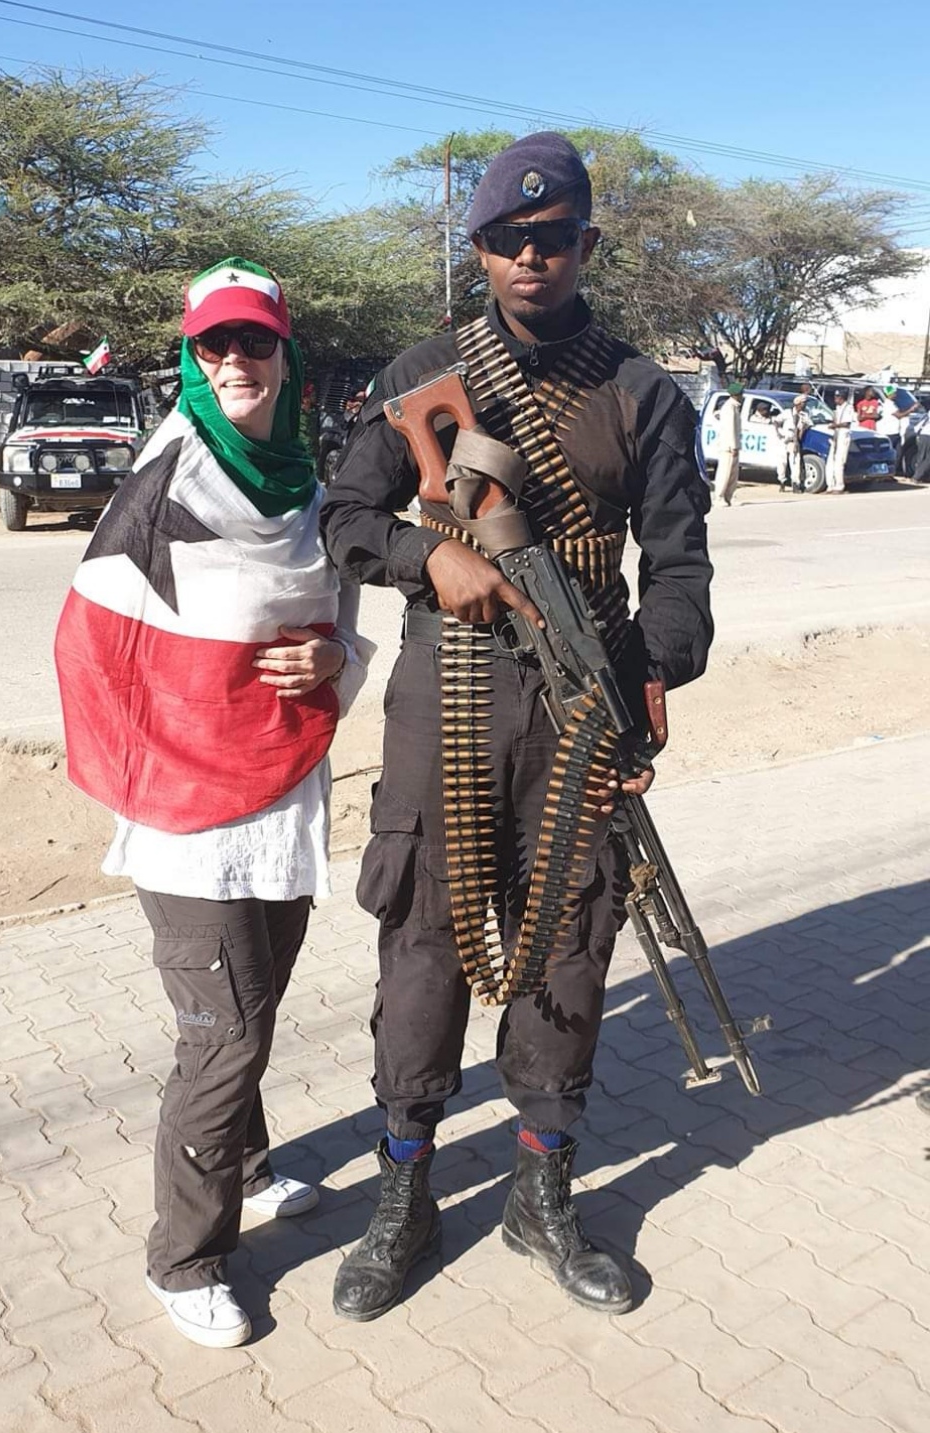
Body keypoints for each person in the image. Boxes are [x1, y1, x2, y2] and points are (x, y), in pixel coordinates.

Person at [321, 133, 713, 1323]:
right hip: (447, 689)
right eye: (507, 239)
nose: (531, 256)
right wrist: (425, 551)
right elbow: (342, 510)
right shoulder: (426, 370)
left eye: (554, 238)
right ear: (479, 249)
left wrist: (643, 676)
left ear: (587, 244)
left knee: (571, 940)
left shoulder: (642, 391)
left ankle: (541, 1191)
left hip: (576, 706)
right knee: (426, 940)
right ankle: (408, 1189)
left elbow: (682, 570)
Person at [54, 257, 372, 1349]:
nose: (234, 360)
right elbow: (104, 647)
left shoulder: (306, 482)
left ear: (287, 354)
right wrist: (198, 708)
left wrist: (330, 660)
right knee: (223, 1037)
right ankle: (183, 1254)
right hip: (188, 811)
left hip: (281, 790)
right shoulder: (164, 483)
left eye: (254, 342)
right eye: (212, 345)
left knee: (254, 1008)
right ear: (190, 358)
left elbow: (343, 626)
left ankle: (247, 1161)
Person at [714, 384, 743, 505]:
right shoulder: (729, 407)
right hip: (728, 446)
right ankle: (719, 497)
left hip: (733, 444)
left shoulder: (735, 407)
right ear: (736, 395)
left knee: (733, 474)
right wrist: (733, 445)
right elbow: (729, 428)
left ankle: (728, 496)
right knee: (724, 473)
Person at [777, 394, 809, 491]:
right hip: (784, 440)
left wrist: (803, 428)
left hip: (794, 441)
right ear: (798, 404)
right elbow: (776, 421)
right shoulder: (787, 413)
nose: (804, 405)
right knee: (782, 462)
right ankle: (781, 481)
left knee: (795, 462)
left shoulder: (804, 415)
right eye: (803, 403)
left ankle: (795, 483)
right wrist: (779, 432)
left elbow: (807, 425)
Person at [828, 388, 856, 493]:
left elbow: (846, 423)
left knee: (839, 461)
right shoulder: (838, 408)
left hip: (843, 435)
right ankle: (831, 484)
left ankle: (839, 486)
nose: (835, 399)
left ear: (842, 398)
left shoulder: (848, 408)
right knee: (833, 461)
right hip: (836, 435)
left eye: (837, 397)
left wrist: (835, 425)